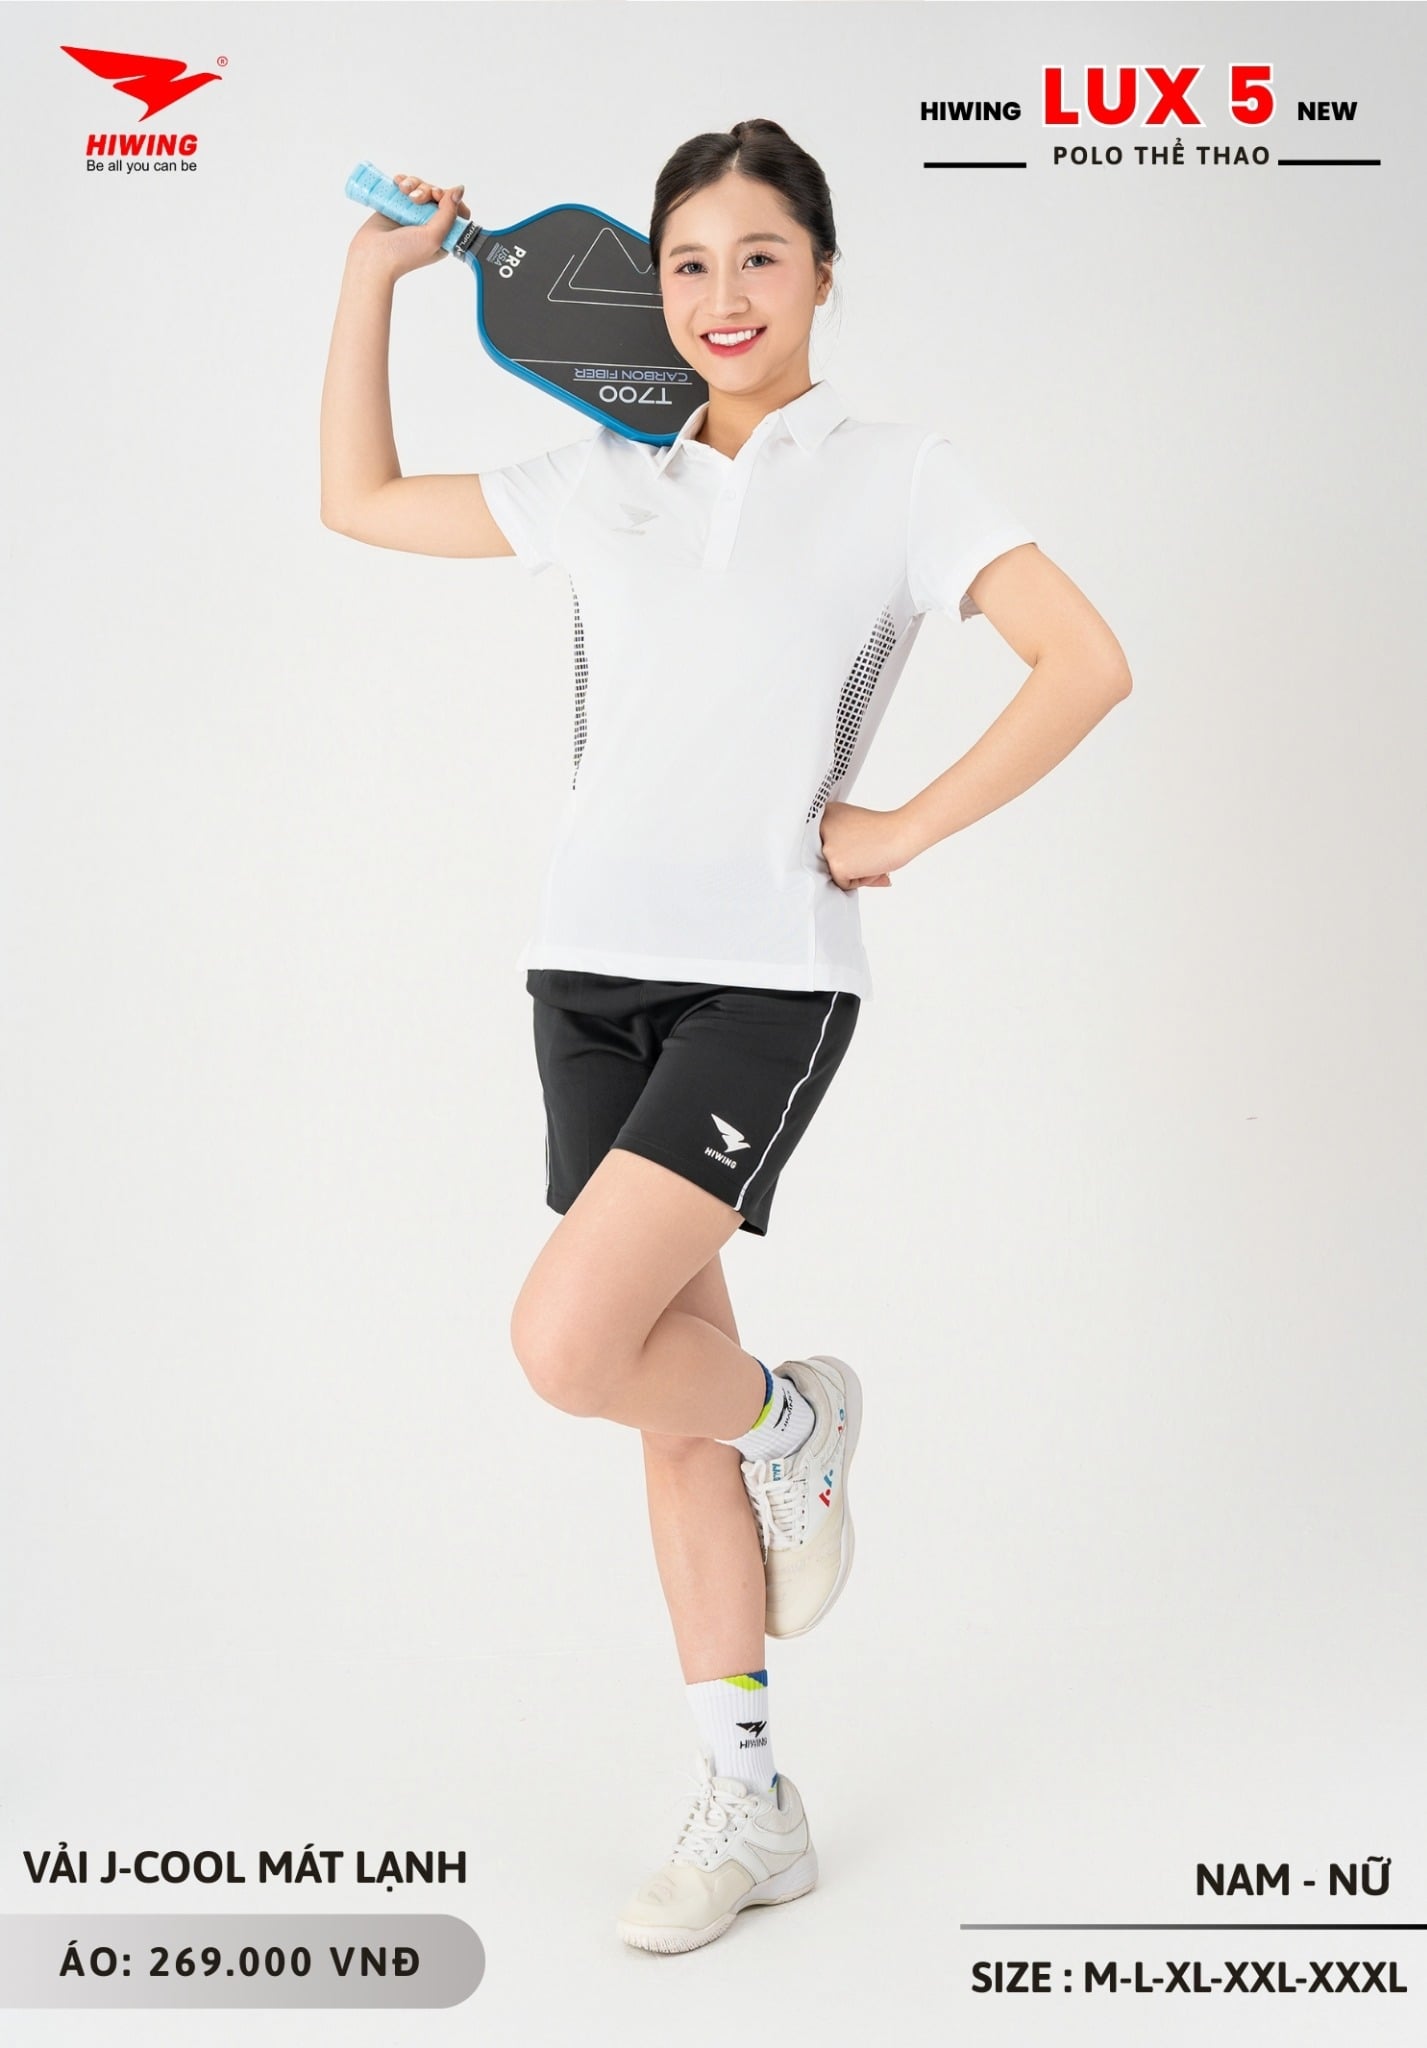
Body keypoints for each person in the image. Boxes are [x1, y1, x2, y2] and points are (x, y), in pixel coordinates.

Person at [320, 117, 1132, 1956]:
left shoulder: (903, 474)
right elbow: (358, 499)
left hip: (764, 974)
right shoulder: (603, 472)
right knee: (653, 1394)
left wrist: (901, 826)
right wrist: (376, 280)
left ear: (823, 272)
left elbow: (1085, 659)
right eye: (688, 263)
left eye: (761, 254)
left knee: (571, 1346)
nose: (723, 294)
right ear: (649, 287)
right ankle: (749, 1797)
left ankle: (799, 1418)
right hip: (582, 972)